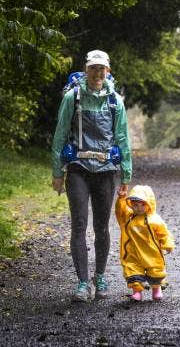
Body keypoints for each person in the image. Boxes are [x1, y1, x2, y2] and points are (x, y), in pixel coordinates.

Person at [51, 49, 132, 302]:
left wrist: (126, 175)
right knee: (79, 224)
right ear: (86, 70)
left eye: (101, 68)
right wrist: (57, 172)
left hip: (106, 172)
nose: (97, 73)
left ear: (108, 71)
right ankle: (83, 283)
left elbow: (123, 138)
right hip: (77, 170)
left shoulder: (115, 101)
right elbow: (60, 134)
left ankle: (100, 277)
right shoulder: (72, 98)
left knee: (101, 227)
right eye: (93, 68)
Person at [115, 185, 174, 301]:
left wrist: (168, 244)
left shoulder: (154, 220)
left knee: (156, 271)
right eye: (135, 205)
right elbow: (120, 212)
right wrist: (121, 199)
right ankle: (137, 291)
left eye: (143, 205)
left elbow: (164, 233)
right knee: (132, 271)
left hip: (152, 253)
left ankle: (156, 289)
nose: (139, 208)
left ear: (149, 204)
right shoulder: (128, 218)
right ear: (131, 204)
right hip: (133, 253)